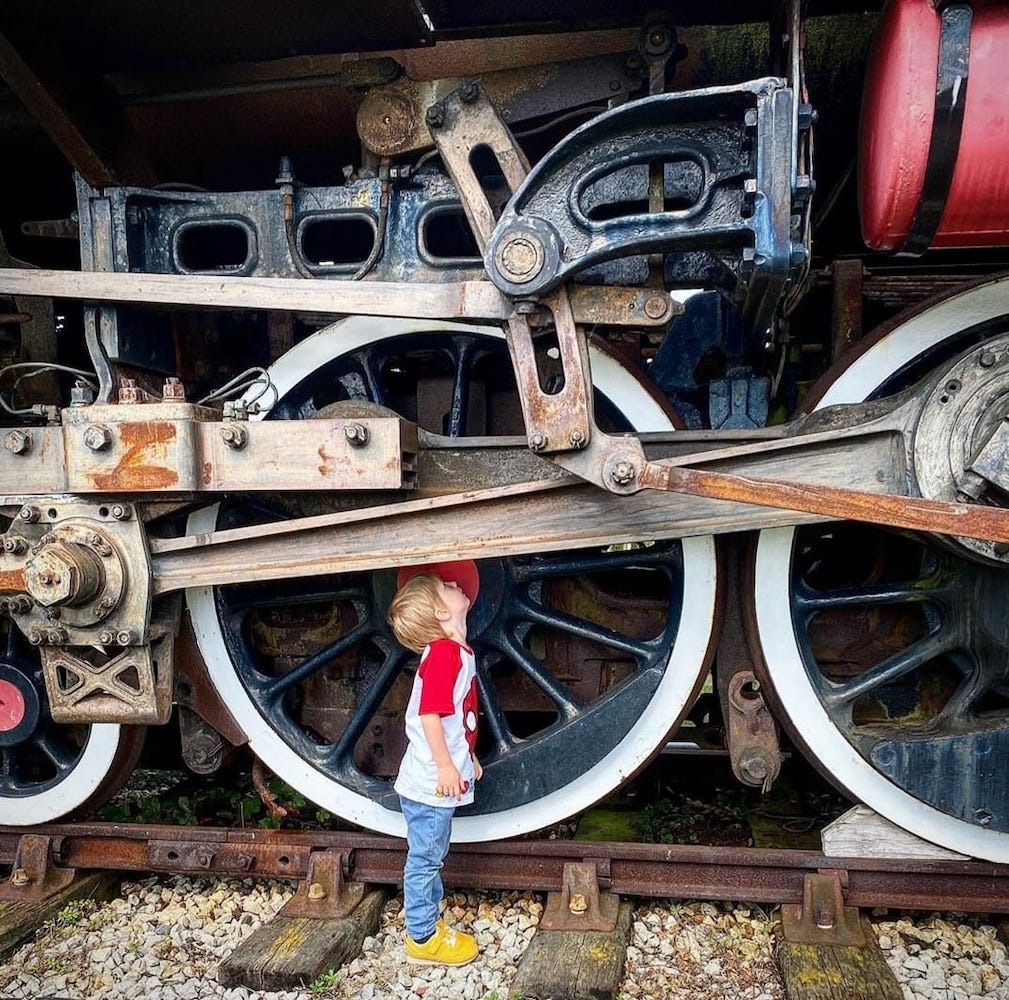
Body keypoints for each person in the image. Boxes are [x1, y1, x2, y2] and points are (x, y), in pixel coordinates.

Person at [387, 571, 482, 966]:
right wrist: (447, 767)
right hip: (431, 783)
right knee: (425, 860)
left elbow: (456, 718)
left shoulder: (454, 652)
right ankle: (422, 939)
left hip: (434, 779)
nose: (456, 584)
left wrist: (468, 758)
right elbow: (430, 715)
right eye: (446, 587)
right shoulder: (445, 654)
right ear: (442, 611)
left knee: (430, 856)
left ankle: (425, 928)